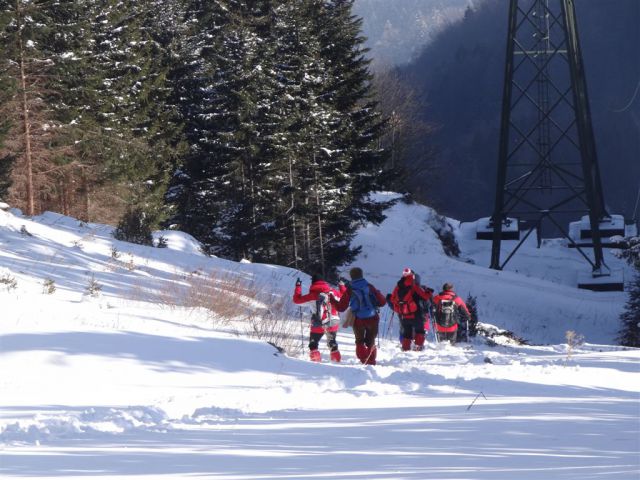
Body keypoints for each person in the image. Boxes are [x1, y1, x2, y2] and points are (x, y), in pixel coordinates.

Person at [332, 267, 386, 365]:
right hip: (373, 317)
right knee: (371, 341)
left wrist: (332, 299)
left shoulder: (350, 289)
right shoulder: (369, 286)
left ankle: (363, 360)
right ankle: (371, 361)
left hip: (358, 319)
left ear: (351, 277)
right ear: (361, 275)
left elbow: (341, 307)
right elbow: (382, 302)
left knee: (359, 341)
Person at [293, 273, 342, 362]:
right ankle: (337, 363)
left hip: (318, 324)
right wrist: (342, 286)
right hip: (332, 322)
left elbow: (297, 301)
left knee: (313, 345)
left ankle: (316, 365)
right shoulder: (333, 292)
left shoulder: (313, 295)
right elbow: (343, 296)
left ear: (313, 283)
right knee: (332, 344)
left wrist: (298, 286)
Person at [390, 268, 434, 351]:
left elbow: (392, 299)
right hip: (416, 313)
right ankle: (418, 347)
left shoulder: (398, 286)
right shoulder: (414, 286)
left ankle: (405, 349)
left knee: (407, 333)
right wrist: (429, 292)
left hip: (404, 314)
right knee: (420, 331)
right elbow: (425, 296)